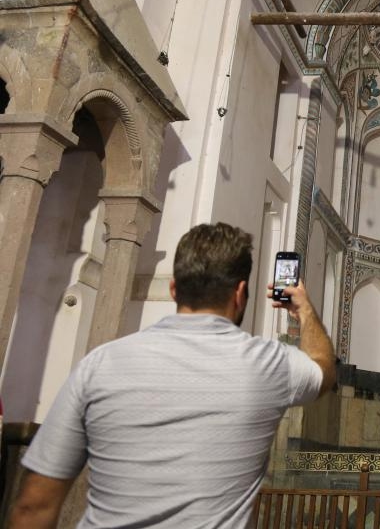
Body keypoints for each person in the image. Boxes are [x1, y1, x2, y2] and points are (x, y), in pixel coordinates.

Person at [10, 223, 335, 528]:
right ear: (240, 293)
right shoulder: (270, 365)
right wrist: (302, 309)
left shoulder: (99, 364)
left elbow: (33, 507)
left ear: (174, 288)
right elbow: (322, 367)